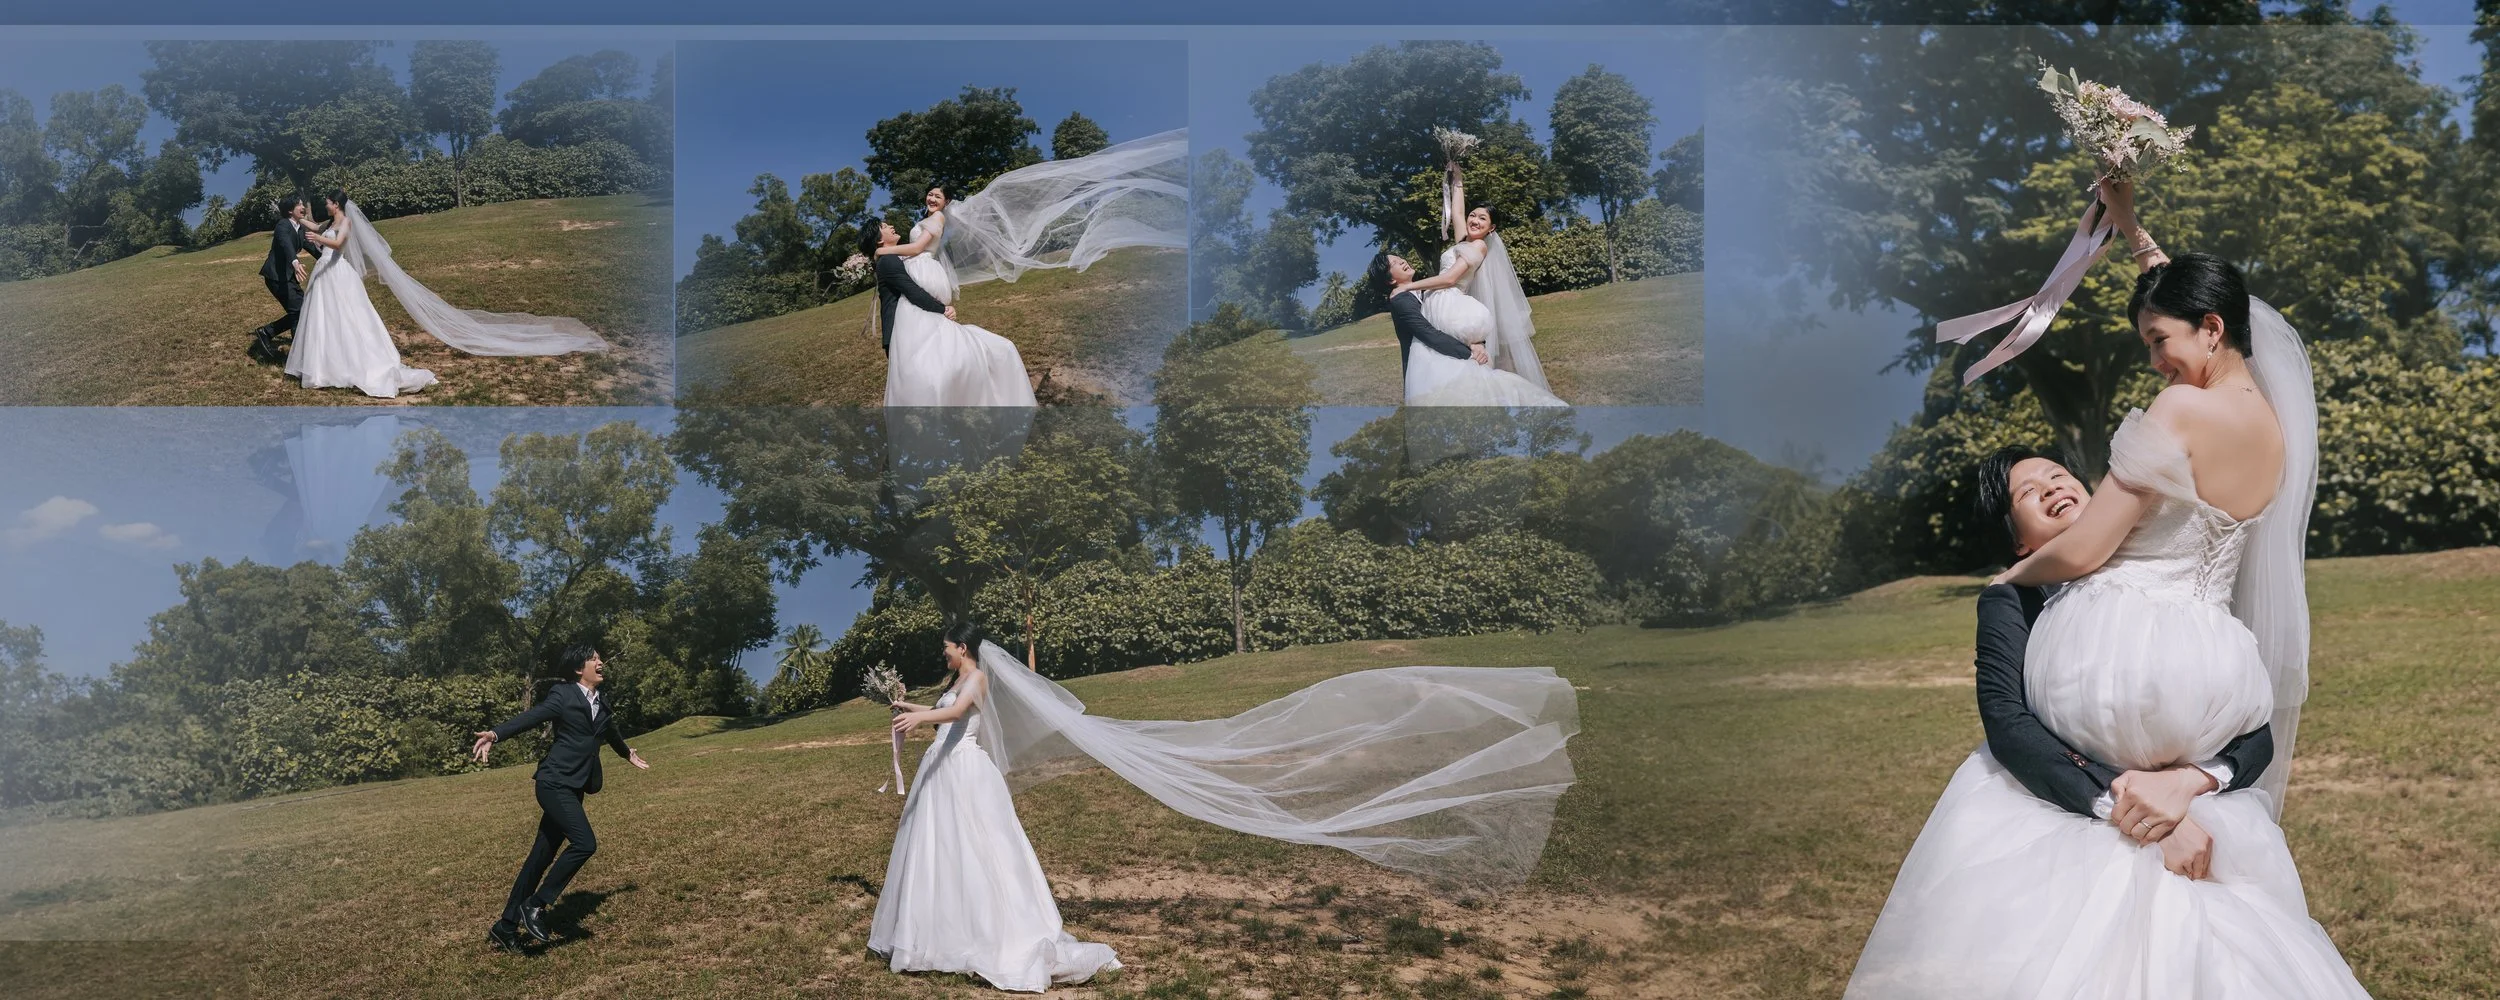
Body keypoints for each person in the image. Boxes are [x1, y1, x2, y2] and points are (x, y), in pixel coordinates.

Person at [1844, 179, 2362, 998]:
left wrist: (2015, 571)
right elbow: (2193, 297)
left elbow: (2085, 548)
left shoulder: (2181, 411)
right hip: (2201, 668)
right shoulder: (2267, 418)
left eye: (2159, 342)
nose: (2155, 360)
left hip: (2160, 690)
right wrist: (2132, 234)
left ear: (2212, 330)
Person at [1969, 446, 2274, 856]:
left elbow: (2245, 717)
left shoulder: (2165, 573)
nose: (2050, 488)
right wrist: (2132, 813)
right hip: (2078, 817)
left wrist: (2187, 782)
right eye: (2027, 492)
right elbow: (2006, 719)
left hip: (2199, 809)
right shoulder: (2012, 598)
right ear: (2018, 542)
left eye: (2056, 475)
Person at [867, 623, 1120, 991]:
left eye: (947, 647)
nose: (944, 653)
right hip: (942, 768)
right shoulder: (955, 682)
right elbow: (945, 709)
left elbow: (956, 716)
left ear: (963, 647)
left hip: (964, 769)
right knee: (941, 845)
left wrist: (920, 719)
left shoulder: (978, 679)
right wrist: (909, 707)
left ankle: (989, 926)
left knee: (978, 844)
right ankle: (941, 924)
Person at [472, 646, 648, 953]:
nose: (600, 662)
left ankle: (506, 926)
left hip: (574, 787)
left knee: (540, 857)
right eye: (594, 659)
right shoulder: (563, 695)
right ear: (579, 669)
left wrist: (627, 753)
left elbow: (612, 733)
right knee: (584, 843)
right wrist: (495, 735)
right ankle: (537, 905)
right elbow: (532, 716)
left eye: (599, 658)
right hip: (553, 783)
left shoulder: (601, 704)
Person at [872, 189, 1039, 407]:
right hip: (918, 273)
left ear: (946, 202)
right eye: (930, 194)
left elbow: (917, 248)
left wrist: (880, 253)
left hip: (922, 269)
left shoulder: (938, 217)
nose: (931, 199)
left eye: (937, 197)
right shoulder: (927, 220)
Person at [1369, 251, 1565, 408]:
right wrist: (1469, 353)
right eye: (1394, 263)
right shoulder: (1400, 300)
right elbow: (1427, 333)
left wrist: (1476, 341)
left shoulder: (1421, 291)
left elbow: (1448, 320)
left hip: (1444, 359)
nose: (1402, 260)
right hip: (1430, 370)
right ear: (1390, 280)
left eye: (1399, 257)